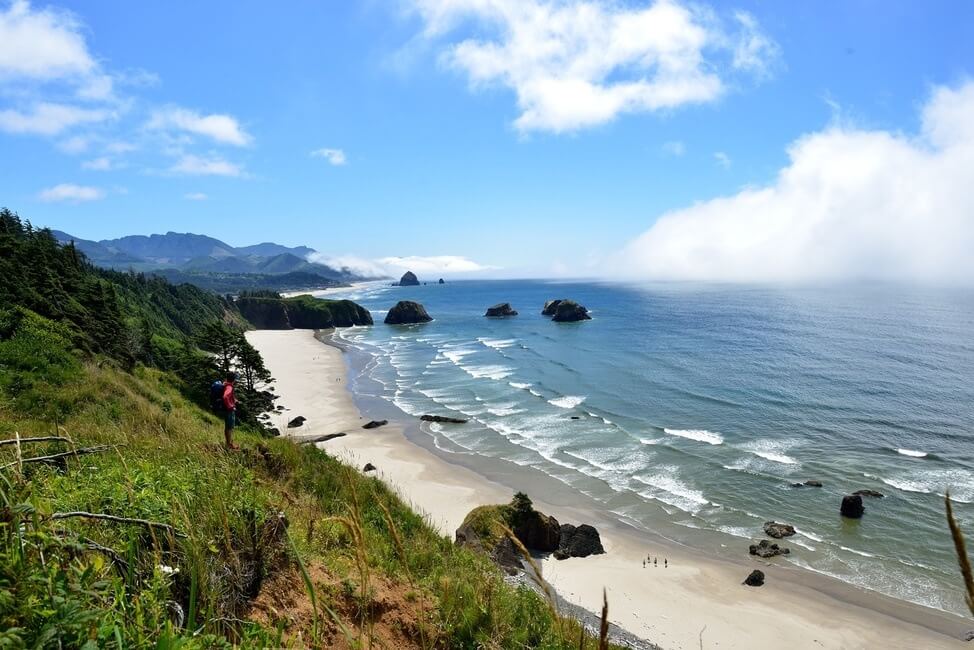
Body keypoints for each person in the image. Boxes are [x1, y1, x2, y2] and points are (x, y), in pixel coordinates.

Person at [223, 371, 239, 449]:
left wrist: (234, 400)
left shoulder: (226, 384)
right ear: (234, 379)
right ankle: (229, 444)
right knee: (230, 427)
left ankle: (228, 443)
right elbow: (225, 396)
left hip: (227, 409)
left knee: (228, 427)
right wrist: (230, 406)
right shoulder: (229, 387)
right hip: (229, 409)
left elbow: (228, 396)